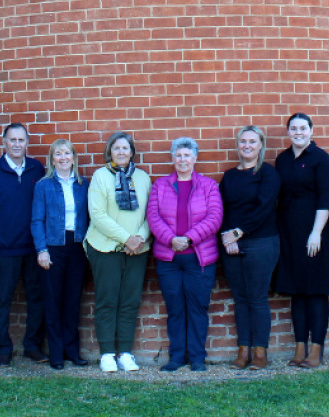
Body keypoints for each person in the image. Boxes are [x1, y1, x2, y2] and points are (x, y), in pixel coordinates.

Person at [147, 137, 223, 372]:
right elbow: (153, 216)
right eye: (178, 155)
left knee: (198, 308)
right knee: (175, 309)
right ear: (172, 159)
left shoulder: (209, 186)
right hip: (169, 260)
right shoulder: (160, 186)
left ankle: (198, 358)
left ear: (195, 158)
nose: (182, 160)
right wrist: (171, 240)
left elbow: (215, 217)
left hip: (199, 259)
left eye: (187, 155)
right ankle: (177, 356)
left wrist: (189, 238)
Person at [0, 122, 46, 367]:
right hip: (3, 249)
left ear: (27, 142)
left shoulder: (37, 169)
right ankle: (3, 348)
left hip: (34, 248)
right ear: (4, 142)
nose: (17, 144)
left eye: (21, 140)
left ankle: (32, 346)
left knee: (37, 298)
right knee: (1, 300)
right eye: (12, 140)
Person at [85, 130, 152, 373]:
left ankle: (125, 352)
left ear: (132, 152)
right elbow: (97, 214)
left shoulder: (143, 178)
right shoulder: (100, 177)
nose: (121, 152)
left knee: (130, 301)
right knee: (107, 300)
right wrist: (126, 238)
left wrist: (139, 238)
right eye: (116, 148)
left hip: (138, 250)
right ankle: (106, 355)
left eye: (125, 148)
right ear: (110, 152)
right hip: (105, 247)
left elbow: (150, 214)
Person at [273, 112, 329, 368]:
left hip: (313, 233)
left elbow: (325, 199)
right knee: (296, 291)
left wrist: (316, 233)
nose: (298, 132)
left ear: (311, 130)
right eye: (293, 128)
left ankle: (316, 350)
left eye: (302, 128)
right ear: (288, 132)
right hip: (288, 232)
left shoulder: (321, 159)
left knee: (315, 291)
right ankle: (300, 348)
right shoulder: (283, 159)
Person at [218, 124, 281, 370]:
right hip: (232, 243)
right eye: (243, 141)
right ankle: (243, 351)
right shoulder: (230, 176)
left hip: (262, 242)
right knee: (240, 299)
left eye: (253, 142)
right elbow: (223, 209)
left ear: (261, 146)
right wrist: (228, 237)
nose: (247, 145)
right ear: (238, 145)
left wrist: (238, 233)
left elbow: (265, 208)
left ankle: (260, 352)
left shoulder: (268, 173)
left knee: (257, 298)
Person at [31, 138, 91, 369]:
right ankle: (56, 354)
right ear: (52, 159)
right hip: (53, 246)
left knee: (73, 301)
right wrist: (42, 250)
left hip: (77, 246)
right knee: (53, 301)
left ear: (74, 158)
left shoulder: (83, 184)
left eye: (67, 153)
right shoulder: (43, 186)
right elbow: (37, 220)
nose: (63, 158)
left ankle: (72, 352)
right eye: (58, 154)